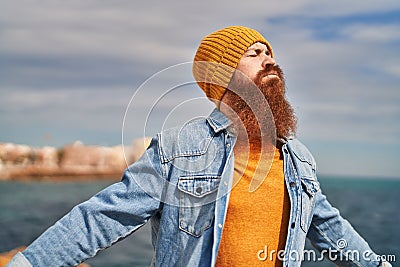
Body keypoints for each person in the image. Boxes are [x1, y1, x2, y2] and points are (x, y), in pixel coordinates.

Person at [7, 26, 392, 267]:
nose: (269, 59)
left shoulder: (297, 157)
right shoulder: (179, 147)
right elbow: (105, 216)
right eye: (254, 53)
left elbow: (328, 227)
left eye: (269, 52)